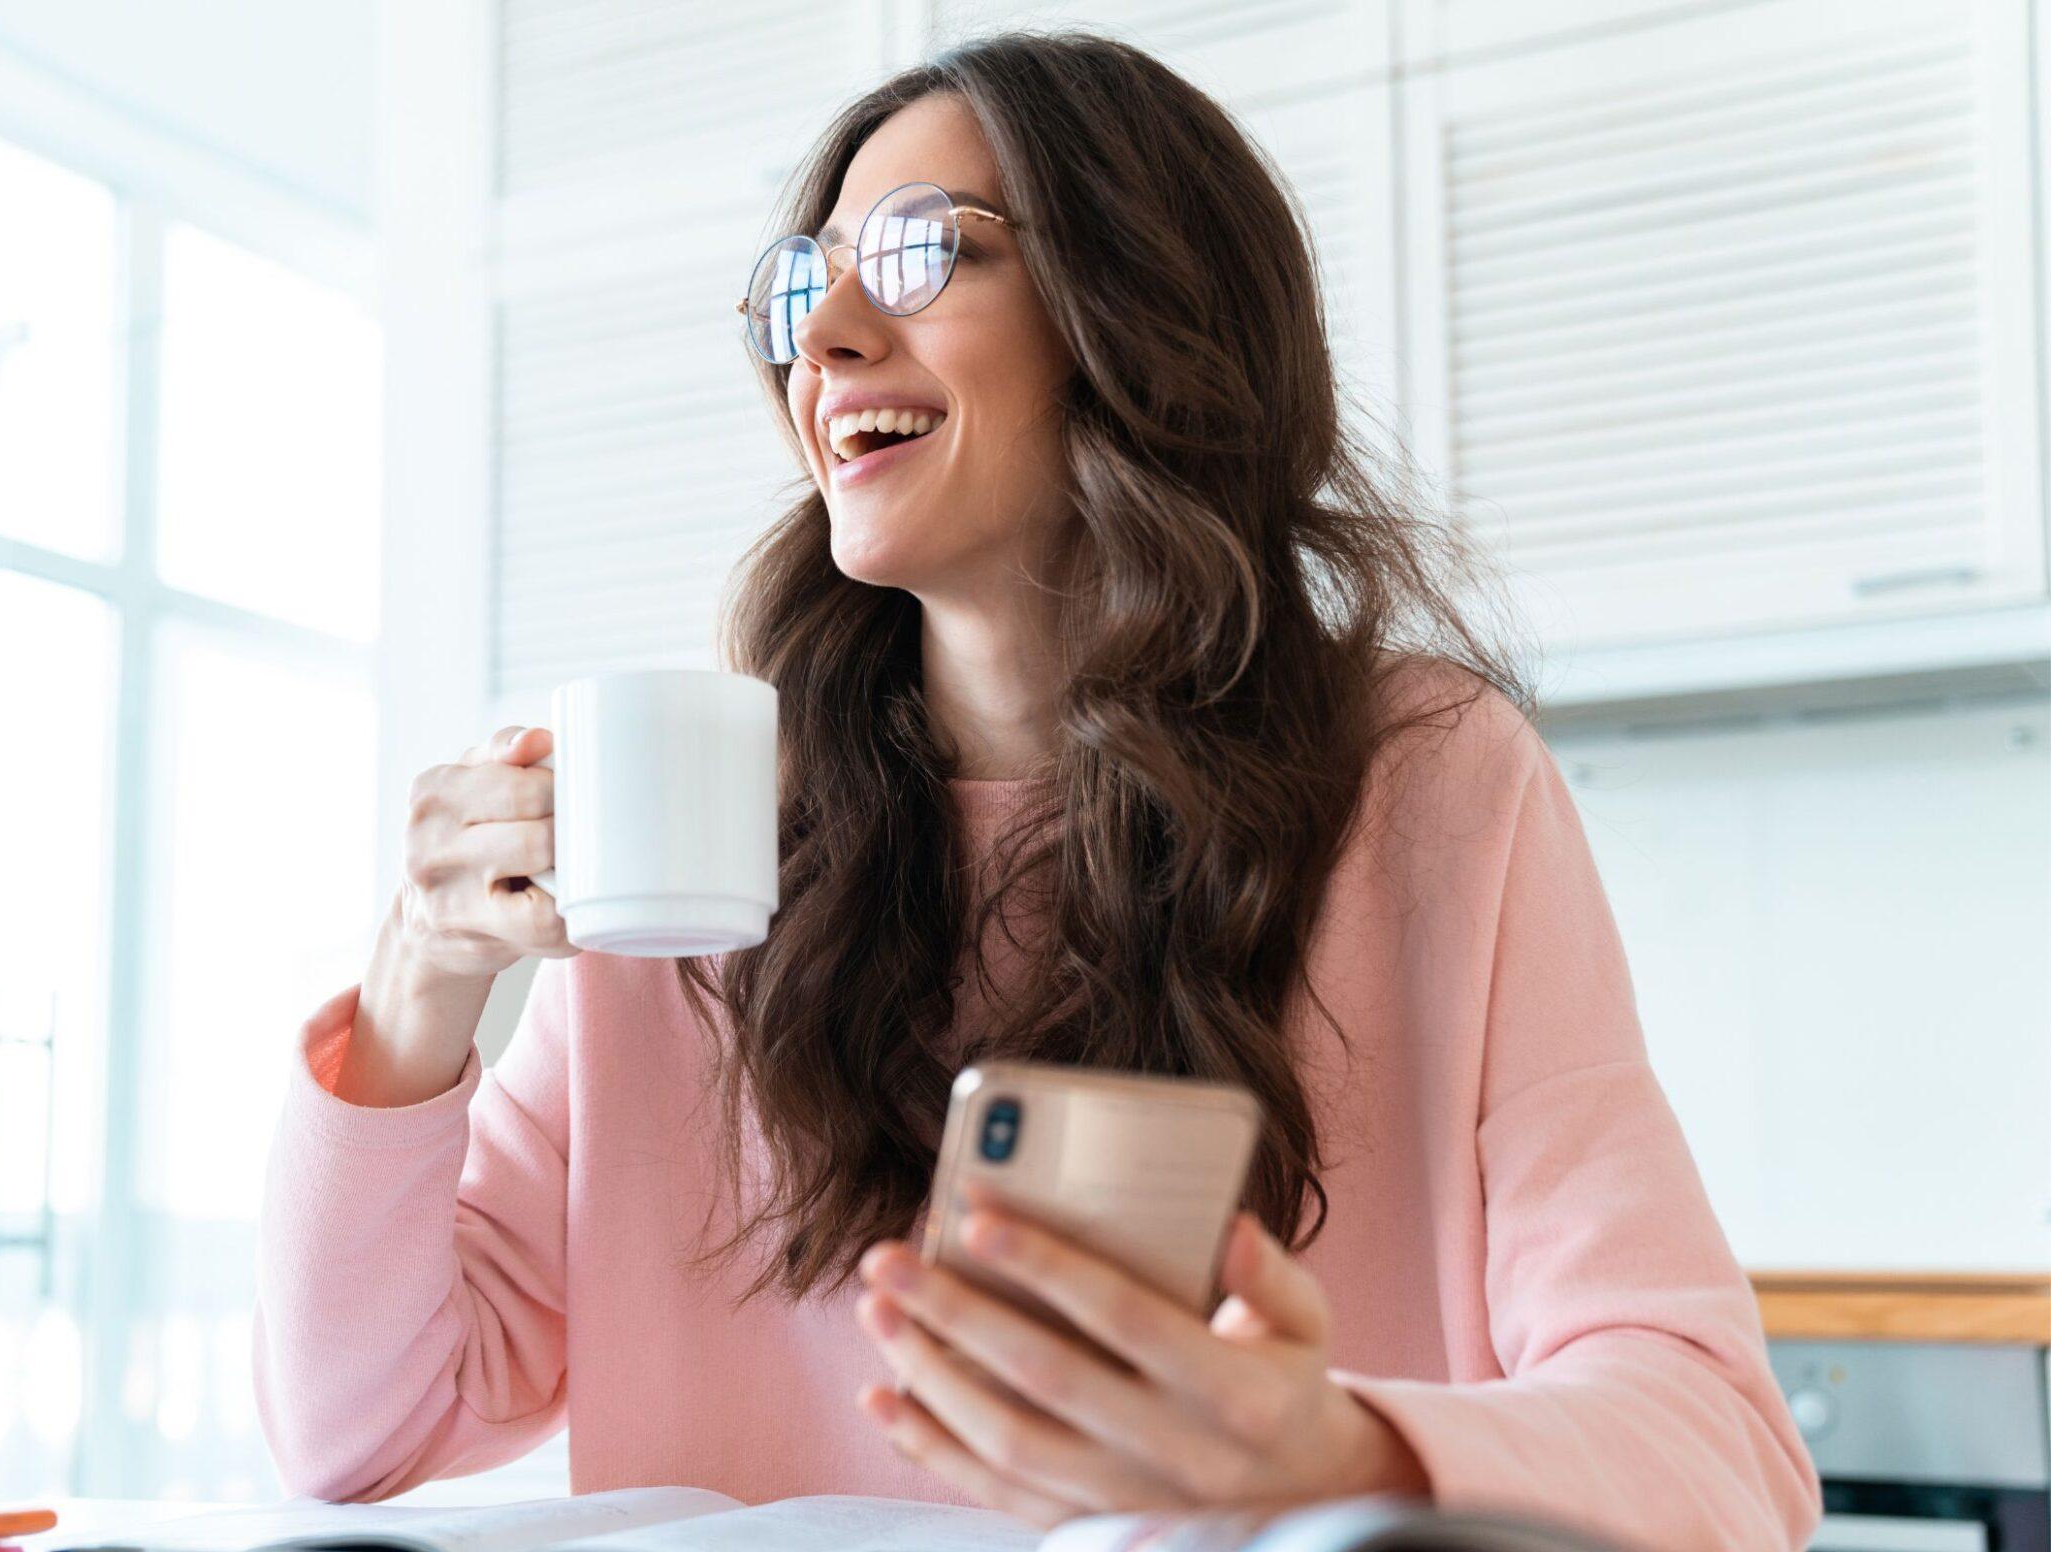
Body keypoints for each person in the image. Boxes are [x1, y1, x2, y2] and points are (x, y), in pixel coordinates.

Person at [251, 29, 1821, 1552]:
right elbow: (357, 1432)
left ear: (1135, 309)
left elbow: (1722, 1447)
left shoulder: (1425, 788)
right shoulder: (704, 829)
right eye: (803, 284)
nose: (828, 335)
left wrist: (1338, 1451)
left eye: (925, 254)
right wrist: (418, 988)